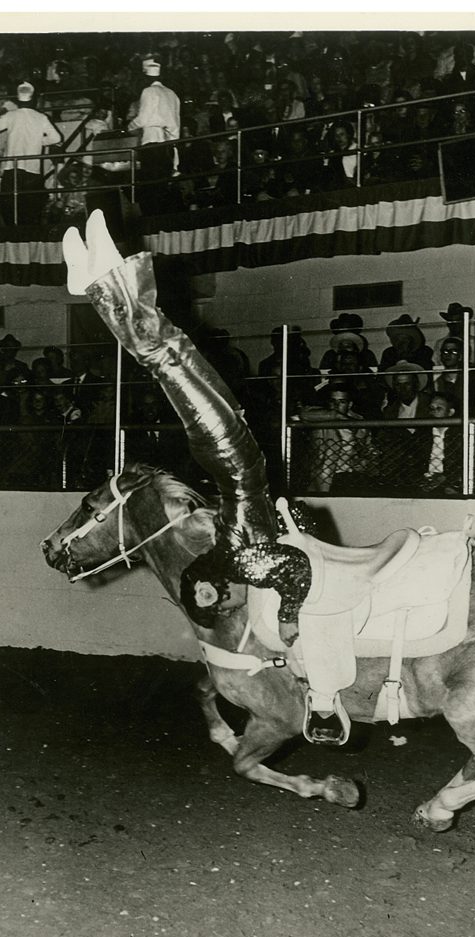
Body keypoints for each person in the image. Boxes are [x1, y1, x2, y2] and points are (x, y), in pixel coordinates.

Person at [62, 210, 312, 648]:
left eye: (200, 593)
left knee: (166, 358)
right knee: (176, 350)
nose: (209, 591)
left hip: (226, 452)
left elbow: (294, 563)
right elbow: (297, 559)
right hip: (237, 450)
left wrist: (288, 602)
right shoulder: (243, 562)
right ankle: (99, 286)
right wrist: (288, 596)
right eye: (208, 595)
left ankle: (103, 287)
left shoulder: (233, 555)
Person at [0, 80, 61, 225]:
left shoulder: (11, 115)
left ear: (18, 100)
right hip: (32, 170)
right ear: (33, 99)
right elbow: (56, 138)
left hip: (11, 169)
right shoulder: (41, 117)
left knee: (9, 208)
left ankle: (14, 237)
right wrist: (40, 141)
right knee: (31, 209)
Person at [129, 58, 181, 217]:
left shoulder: (148, 91)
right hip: (168, 145)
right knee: (164, 187)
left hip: (151, 143)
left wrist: (129, 126)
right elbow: (176, 126)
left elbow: (142, 119)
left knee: (151, 189)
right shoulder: (172, 94)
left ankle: (152, 221)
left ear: (147, 78)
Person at [377, 361, 433, 487]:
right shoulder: (389, 412)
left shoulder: (431, 404)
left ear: (416, 384)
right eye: (398, 385)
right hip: (399, 473)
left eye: (407, 384)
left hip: (429, 467)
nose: (402, 389)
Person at [422, 392, 462, 494]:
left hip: (448, 481)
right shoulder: (423, 433)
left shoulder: (459, 435)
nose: (434, 412)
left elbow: (460, 465)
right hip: (425, 479)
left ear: (450, 412)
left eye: (439, 408)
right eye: (431, 408)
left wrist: (443, 478)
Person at [379, 314, 434, 383]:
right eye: (397, 339)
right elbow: (381, 378)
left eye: (405, 339)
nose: (400, 343)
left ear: (412, 340)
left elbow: (426, 377)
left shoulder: (424, 352)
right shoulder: (389, 353)